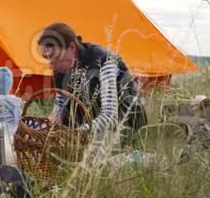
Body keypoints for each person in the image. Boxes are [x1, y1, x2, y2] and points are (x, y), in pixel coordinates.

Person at [37, 22, 148, 150]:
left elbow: (110, 116)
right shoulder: (60, 71)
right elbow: (59, 107)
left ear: (72, 48)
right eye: (47, 58)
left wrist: (78, 132)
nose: (51, 64)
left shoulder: (104, 61)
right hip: (90, 133)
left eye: (54, 57)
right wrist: (53, 121)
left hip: (124, 131)